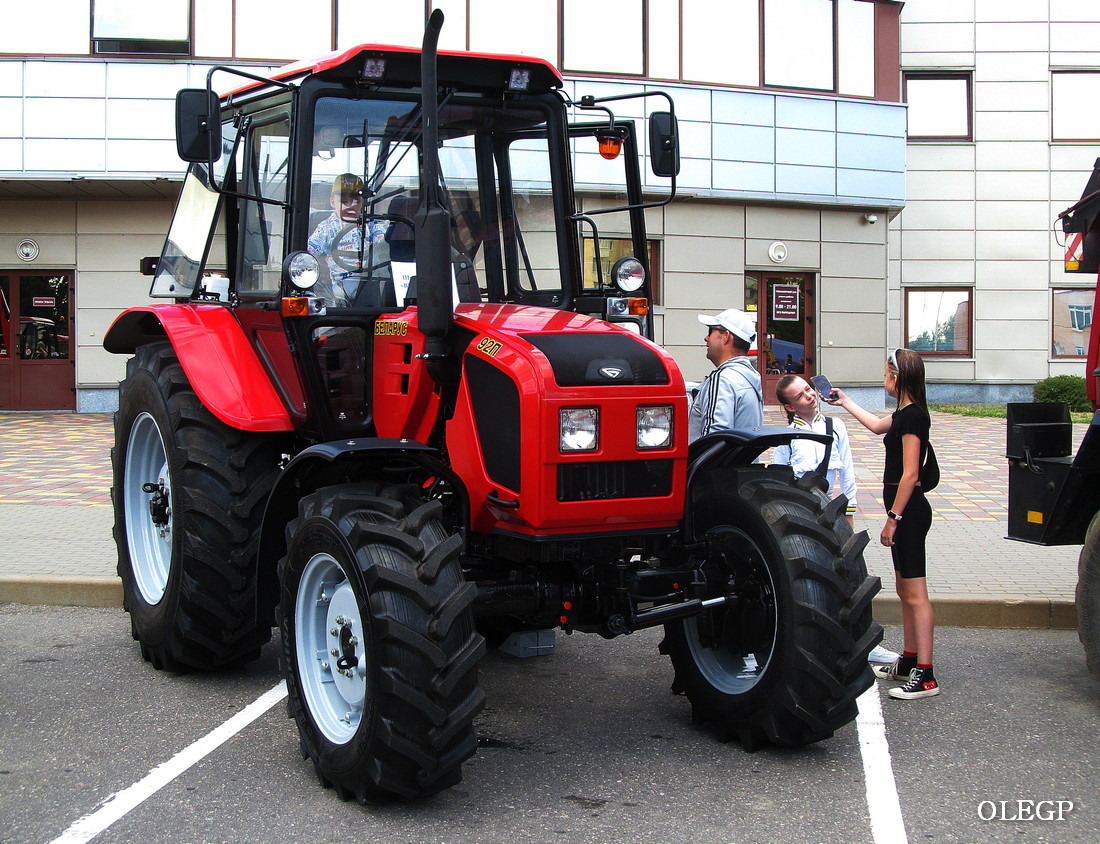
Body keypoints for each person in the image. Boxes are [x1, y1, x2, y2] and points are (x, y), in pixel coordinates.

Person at [829, 348, 940, 700]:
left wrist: (893, 519)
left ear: (897, 377)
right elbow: (877, 426)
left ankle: (926, 675)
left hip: (909, 512)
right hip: (904, 511)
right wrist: (845, 401)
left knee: (916, 594)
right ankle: (909, 660)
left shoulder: (914, 418)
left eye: (885, 374)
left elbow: (910, 475)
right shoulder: (904, 413)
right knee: (905, 589)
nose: (883, 380)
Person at [772, 374, 857, 530]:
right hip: (797, 507)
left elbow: (847, 469)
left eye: (808, 389)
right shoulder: (786, 436)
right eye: (800, 396)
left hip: (828, 505)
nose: (809, 396)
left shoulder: (835, 426)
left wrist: (849, 507)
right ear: (790, 407)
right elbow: (778, 478)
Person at [307, 173, 387, 303]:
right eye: (344, 201)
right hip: (341, 283)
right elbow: (307, 252)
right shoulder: (326, 228)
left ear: (363, 203)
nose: (351, 205)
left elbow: (384, 245)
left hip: (371, 280)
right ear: (332, 202)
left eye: (356, 201)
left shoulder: (371, 225)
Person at [687, 308, 764, 442]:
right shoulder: (749, 377)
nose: (706, 338)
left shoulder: (722, 379)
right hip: (742, 463)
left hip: (719, 463)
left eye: (710, 331)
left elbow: (713, 440)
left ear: (726, 336)